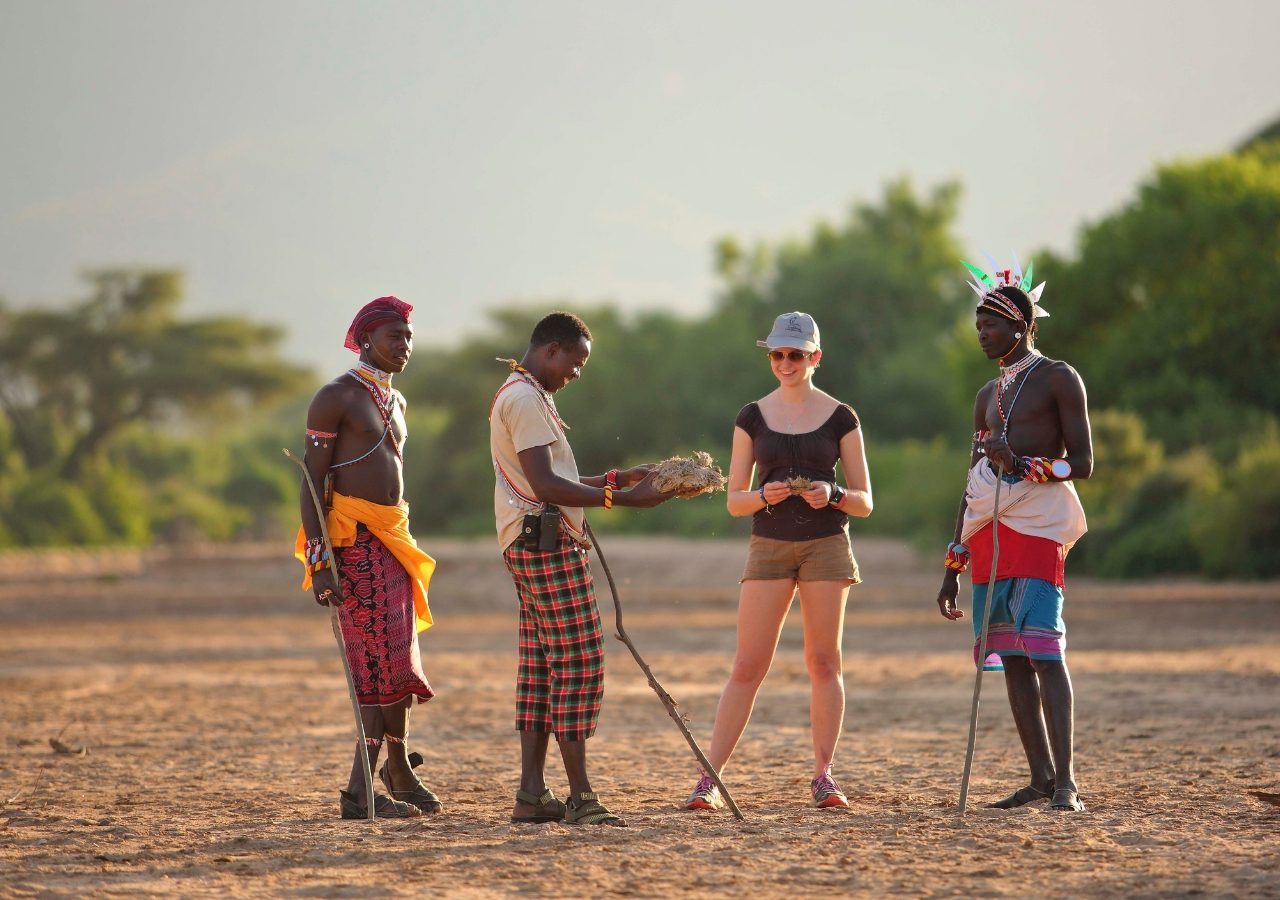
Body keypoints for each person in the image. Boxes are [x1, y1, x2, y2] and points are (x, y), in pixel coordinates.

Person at [489, 311, 674, 827]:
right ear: (552, 351)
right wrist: (624, 498)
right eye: (577, 361)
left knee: (543, 668)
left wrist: (616, 478)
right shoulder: (525, 399)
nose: (578, 372)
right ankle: (580, 798)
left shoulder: (523, 393)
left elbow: (551, 478)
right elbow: (547, 487)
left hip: (528, 543)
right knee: (579, 663)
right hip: (544, 548)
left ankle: (531, 796)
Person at [684, 311, 872, 813]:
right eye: (777, 354)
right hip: (768, 545)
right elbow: (734, 501)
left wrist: (832, 493)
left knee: (823, 661)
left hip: (826, 545)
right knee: (748, 664)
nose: (785, 362)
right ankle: (709, 780)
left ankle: (824, 776)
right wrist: (763, 496)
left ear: (816, 357)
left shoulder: (841, 417)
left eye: (795, 354)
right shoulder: (751, 416)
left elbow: (865, 500)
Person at [934, 261, 1092, 813]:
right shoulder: (985, 396)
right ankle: (1039, 778)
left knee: (1045, 652)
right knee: (1012, 657)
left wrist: (1026, 464)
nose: (982, 335)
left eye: (991, 327)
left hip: (1038, 526)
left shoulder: (1058, 377)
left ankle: (1067, 783)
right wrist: (951, 568)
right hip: (989, 536)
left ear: (1021, 327)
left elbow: (1086, 464)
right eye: (978, 327)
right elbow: (972, 482)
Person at [294, 296, 441, 820]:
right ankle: (359, 793)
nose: (404, 347)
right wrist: (319, 563)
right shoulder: (336, 397)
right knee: (373, 670)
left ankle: (398, 771)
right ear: (365, 341)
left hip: (392, 540)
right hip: (353, 545)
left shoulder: (395, 401)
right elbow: (311, 482)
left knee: (397, 665)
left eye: (408, 338)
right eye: (393, 337)